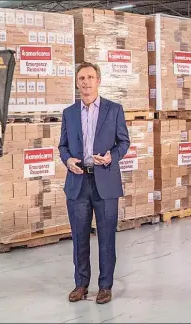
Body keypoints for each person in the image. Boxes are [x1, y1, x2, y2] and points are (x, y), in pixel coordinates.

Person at [58, 61, 130, 304]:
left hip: (105, 182)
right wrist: (67, 160)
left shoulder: (114, 110)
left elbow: (124, 142)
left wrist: (112, 157)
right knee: (79, 236)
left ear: (98, 81)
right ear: (77, 83)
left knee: (106, 237)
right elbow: (63, 146)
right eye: (81, 78)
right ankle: (81, 284)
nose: (86, 82)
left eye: (90, 77)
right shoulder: (69, 113)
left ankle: (105, 286)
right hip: (78, 182)